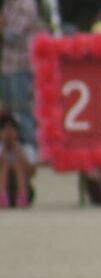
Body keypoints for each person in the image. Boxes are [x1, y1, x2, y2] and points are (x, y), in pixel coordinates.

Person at [1, 0, 43, 146]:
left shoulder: (24, 4)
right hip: (8, 65)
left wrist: (2, 26)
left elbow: (12, 35)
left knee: (22, 111)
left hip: (21, 66)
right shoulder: (9, 4)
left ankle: (29, 148)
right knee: (9, 112)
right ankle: (12, 150)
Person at [0, 113, 33, 208]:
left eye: (12, 129)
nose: (8, 133)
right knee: (5, 164)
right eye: (4, 129)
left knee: (17, 164)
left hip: (22, 184)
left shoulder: (26, 148)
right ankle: (2, 195)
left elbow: (31, 172)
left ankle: (22, 195)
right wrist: (5, 150)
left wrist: (16, 149)